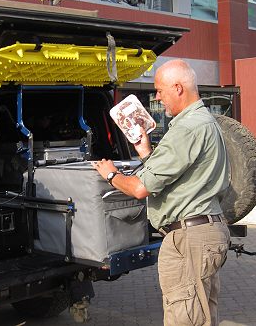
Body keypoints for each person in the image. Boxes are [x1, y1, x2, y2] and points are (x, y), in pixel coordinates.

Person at [92, 59, 230, 326]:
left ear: (178, 88)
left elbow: (141, 188)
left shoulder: (187, 128)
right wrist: (145, 151)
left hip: (190, 238)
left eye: (160, 90)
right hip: (204, 232)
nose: (157, 98)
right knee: (201, 317)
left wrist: (110, 174)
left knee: (185, 319)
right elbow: (177, 177)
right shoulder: (201, 122)